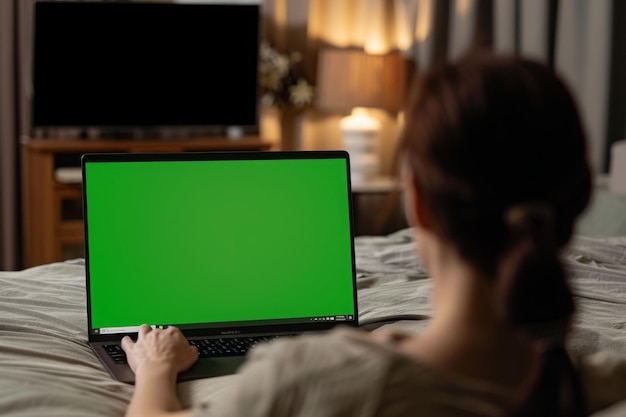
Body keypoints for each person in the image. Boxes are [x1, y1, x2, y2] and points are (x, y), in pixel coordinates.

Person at [121, 53, 626, 417]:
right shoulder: (593, 385)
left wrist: (155, 369)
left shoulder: (310, 381)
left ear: (420, 205)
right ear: (575, 202)